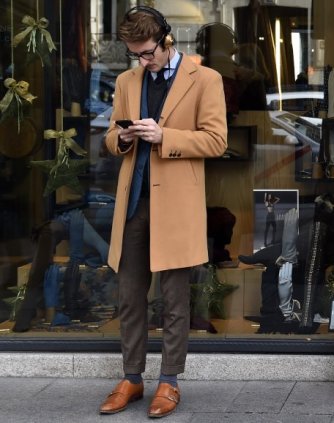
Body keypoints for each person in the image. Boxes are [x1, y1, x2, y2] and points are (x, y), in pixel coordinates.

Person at [98, 6, 227, 418]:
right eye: (136, 54)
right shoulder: (125, 80)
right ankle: (131, 378)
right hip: (134, 203)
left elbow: (215, 141)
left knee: (174, 300)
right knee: (130, 298)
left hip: (176, 205)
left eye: (148, 52)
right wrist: (122, 138)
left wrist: (163, 136)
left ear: (167, 41)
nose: (143, 60)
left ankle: (169, 381)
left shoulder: (205, 79)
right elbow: (109, 138)